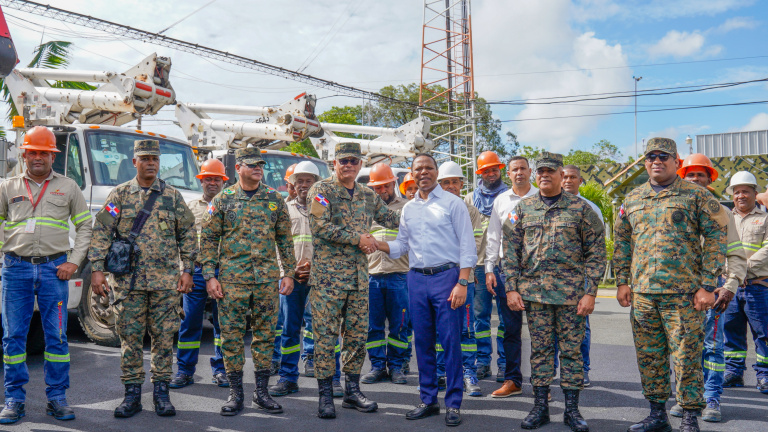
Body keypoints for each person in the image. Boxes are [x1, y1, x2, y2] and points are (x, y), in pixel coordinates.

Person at [614, 138, 726, 432]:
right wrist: (622, 281)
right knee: (649, 358)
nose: (657, 161)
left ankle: (689, 417)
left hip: (684, 295)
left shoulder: (695, 195)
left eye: (664, 156)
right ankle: (657, 415)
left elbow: (716, 238)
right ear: (645, 161)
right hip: (642, 295)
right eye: (651, 156)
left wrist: (707, 285)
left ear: (676, 161)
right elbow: (623, 241)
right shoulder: (633, 198)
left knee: (687, 357)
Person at [89, 139, 197, 418]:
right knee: (130, 340)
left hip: (165, 284)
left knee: (163, 339)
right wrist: (97, 269)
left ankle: (161, 393)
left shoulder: (172, 196)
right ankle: (132, 395)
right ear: (135, 161)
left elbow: (187, 233)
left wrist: (187, 270)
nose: (151, 163)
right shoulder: (120, 194)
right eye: (145, 158)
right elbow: (102, 231)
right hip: (128, 285)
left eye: (155, 159)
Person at [503, 152, 605, 432]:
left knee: (572, 353)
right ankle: (541, 408)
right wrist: (511, 288)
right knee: (540, 352)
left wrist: (590, 292)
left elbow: (597, 252)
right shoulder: (523, 209)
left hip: (572, 298)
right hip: (535, 297)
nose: (544, 175)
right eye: (541, 172)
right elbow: (510, 251)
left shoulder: (581, 209)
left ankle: (572, 410)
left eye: (551, 171)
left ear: (562, 175)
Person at [0, 126, 93, 424]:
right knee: (14, 337)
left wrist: (75, 262)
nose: (38, 157)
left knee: (57, 337)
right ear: (24, 154)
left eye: (44, 152)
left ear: (53, 156)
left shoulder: (68, 187)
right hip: (16, 269)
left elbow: (85, 228)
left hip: (56, 271)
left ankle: (57, 398)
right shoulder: (7, 186)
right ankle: (14, 399)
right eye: (33, 152)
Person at [376, 153, 476, 427]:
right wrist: (379, 244)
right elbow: (402, 246)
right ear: (411, 173)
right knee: (422, 342)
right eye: (418, 168)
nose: (424, 172)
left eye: (429, 168)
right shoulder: (409, 209)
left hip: (447, 277)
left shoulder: (453, 204)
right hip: (416, 279)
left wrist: (462, 282)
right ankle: (429, 399)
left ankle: (453, 403)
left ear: (436, 172)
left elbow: (468, 247)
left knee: (450, 342)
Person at [306, 142, 400, 419]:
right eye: (343, 160)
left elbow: (391, 218)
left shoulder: (367, 195)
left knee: (356, 338)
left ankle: (352, 391)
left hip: (359, 280)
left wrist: (423, 206)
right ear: (334, 163)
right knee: (325, 338)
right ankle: (325, 395)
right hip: (327, 281)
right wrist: (357, 238)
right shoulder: (321, 190)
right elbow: (318, 225)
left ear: (361, 165)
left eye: (354, 160)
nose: (348, 165)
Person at [200, 147, 295, 416]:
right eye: (252, 165)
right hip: (232, 281)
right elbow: (208, 240)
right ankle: (235, 393)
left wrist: (288, 272)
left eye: (260, 165)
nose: (258, 168)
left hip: (266, 281)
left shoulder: (274, 199)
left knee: (265, 336)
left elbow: (285, 240)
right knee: (231, 337)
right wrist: (210, 276)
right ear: (238, 168)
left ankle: (261, 392)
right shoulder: (223, 200)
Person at [670, 155, 747, 422]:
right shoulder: (673, 208)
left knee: (712, 348)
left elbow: (736, 255)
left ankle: (711, 398)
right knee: (682, 347)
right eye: (689, 175)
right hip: (678, 293)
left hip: (713, 292)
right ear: (682, 177)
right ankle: (686, 397)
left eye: (700, 175)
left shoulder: (722, 213)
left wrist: (729, 288)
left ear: (709, 178)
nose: (695, 180)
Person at [269, 161, 343, 398]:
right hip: (292, 279)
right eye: (299, 181)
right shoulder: (284, 209)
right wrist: (287, 272)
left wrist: (318, 268)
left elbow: (334, 241)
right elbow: (276, 246)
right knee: (290, 331)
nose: (303, 185)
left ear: (316, 183)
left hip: (321, 279)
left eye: (308, 181)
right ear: (292, 184)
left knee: (326, 330)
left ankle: (333, 380)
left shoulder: (324, 206)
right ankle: (288, 377)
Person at [170, 159, 229, 390]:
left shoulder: (230, 206)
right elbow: (181, 241)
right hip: (195, 272)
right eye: (208, 179)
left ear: (223, 181)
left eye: (216, 179)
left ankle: (222, 370)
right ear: (201, 181)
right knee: (190, 323)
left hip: (222, 272)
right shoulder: (190, 207)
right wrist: (182, 270)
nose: (212, 183)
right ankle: (185, 371)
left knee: (222, 324)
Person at [484, 155, 534, 398]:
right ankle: (512, 380)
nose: (519, 173)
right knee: (510, 330)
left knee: (542, 330)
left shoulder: (541, 197)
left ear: (530, 171)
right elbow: (493, 237)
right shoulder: (501, 201)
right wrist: (489, 269)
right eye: (515, 170)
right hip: (507, 274)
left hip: (538, 273)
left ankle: (543, 383)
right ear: (509, 173)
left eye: (523, 168)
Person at [361, 163, 411, 385]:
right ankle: (377, 366)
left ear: (394, 184)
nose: (381, 192)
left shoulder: (407, 208)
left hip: (399, 275)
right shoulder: (365, 211)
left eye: (385, 186)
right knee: (373, 326)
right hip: (371, 275)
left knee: (400, 325)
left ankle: (397, 366)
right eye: (377, 187)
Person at [721, 171, 768, 395]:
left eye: (745, 191)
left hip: (757, 286)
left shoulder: (766, 217)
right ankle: (734, 372)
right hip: (730, 288)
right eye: (736, 191)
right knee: (731, 331)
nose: (741, 195)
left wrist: (741, 268)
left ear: (755, 193)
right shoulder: (725, 218)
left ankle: (764, 375)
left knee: (763, 333)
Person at [439, 161, 483, 397]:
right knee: (440, 329)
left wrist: (461, 274)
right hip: (439, 278)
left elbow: (474, 245)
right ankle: (441, 372)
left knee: (466, 329)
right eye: (446, 182)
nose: (450, 186)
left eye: (454, 182)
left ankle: (468, 372)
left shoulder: (471, 211)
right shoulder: (433, 208)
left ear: (461, 184)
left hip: (464, 278)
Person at [559, 164, 604, 387]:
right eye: (564, 177)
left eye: (573, 177)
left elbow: (597, 248)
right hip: (553, 277)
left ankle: (582, 369)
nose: (568, 180)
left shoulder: (591, 208)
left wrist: (591, 285)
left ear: (580, 180)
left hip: (581, 275)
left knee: (580, 325)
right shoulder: (549, 205)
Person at [466, 151, 508, 383]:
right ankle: (483, 361)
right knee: (480, 317)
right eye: (486, 170)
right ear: (480, 173)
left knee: (505, 317)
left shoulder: (511, 196)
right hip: (480, 265)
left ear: (500, 170)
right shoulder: (470, 199)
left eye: (494, 169)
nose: (491, 174)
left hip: (503, 266)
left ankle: (504, 363)